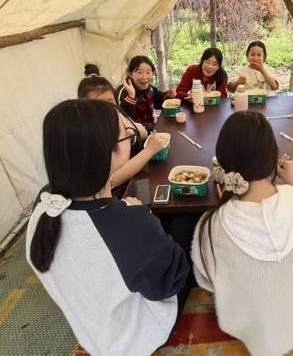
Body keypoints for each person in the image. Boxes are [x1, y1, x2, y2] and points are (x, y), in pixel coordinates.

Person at [26, 99, 190, 355]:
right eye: (127, 134)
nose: (131, 138)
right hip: (135, 338)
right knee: (186, 226)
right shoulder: (128, 225)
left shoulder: (45, 204)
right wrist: (144, 216)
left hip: (93, 330)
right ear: (109, 152)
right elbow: (168, 284)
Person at [191, 111, 293, 355]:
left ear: (223, 164)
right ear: (274, 158)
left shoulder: (210, 225)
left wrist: (226, 207)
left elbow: (208, 282)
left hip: (248, 331)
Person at [77, 64, 164, 192]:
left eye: (110, 102)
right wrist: (150, 150)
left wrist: (146, 133)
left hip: (135, 175)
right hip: (113, 193)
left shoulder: (117, 115)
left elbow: (140, 132)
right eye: (98, 104)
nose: (107, 108)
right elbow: (112, 181)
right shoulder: (88, 135)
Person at [117, 55, 172, 132]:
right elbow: (121, 118)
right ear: (130, 74)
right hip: (135, 134)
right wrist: (131, 97)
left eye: (148, 72)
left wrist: (167, 95)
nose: (144, 77)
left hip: (151, 129)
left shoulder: (150, 88)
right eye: (139, 72)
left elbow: (158, 102)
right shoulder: (123, 91)